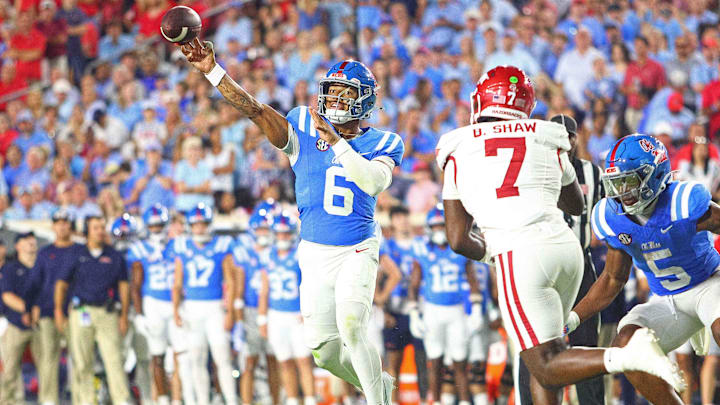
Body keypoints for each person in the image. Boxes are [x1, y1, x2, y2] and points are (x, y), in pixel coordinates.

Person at [434, 65, 684, 405]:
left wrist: (496, 255)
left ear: (481, 101)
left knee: (545, 365)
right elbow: (576, 204)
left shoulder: (458, 146)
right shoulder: (544, 135)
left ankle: (626, 356)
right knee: (551, 355)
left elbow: (458, 238)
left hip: (517, 252)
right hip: (568, 250)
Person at [180, 39, 404, 405]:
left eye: (345, 95)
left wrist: (337, 144)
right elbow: (254, 109)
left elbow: (372, 181)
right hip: (315, 251)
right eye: (331, 94)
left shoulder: (384, 141)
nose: (334, 102)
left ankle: (378, 401)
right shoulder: (304, 123)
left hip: (357, 248)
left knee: (351, 324)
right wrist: (213, 72)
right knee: (324, 353)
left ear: (363, 101)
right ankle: (378, 385)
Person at [566, 132, 720, 405]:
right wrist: (574, 318)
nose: (621, 191)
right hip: (667, 300)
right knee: (626, 345)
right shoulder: (612, 217)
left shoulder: (681, 201)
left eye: (628, 181)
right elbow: (613, 279)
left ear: (655, 175)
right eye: (616, 183)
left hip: (709, 284)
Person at [517, 114, 606, 405]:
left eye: (570, 135)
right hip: (540, 265)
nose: (566, 141)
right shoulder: (532, 170)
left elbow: (609, 213)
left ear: (576, 138)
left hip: (581, 265)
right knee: (534, 344)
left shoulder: (593, 173)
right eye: (560, 135)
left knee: (586, 343)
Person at [54, 215, 133, 405]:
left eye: (101, 227)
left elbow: (123, 286)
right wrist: (58, 310)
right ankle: (85, 401)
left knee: (114, 359)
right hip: (82, 310)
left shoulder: (114, 255)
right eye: (95, 227)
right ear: (87, 231)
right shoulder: (76, 254)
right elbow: (61, 284)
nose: (100, 231)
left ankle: (121, 399)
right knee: (81, 361)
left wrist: (123, 315)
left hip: (107, 312)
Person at [408, 205, 481, 405]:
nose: (440, 230)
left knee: (460, 361)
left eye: (443, 226)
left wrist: (475, 309)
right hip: (432, 310)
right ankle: (437, 401)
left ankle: (465, 401)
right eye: (436, 226)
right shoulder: (421, 249)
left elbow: (472, 280)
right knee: (435, 360)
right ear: (430, 228)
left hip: (457, 310)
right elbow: (414, 284)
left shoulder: (459, 247)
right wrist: (414, 312)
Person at [171, 203, 237, 405]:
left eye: (203, 224)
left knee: (222, 359)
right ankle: (202, 401)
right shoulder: (182, 246)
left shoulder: (221, 245)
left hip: (215, 307)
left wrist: (230, 312)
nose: (200, 228)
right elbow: (177, 282)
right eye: (196, 225)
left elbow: (230, 281)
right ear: (191, 226)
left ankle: (231, 400)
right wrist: (176, 309)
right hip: (191, 308)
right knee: (196, 359)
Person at [259, 213, 317, 405]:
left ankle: (309, 399)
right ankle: (292, 400)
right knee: (284, 361)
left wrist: (308, 310)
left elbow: (312, 284)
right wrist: (262, 318)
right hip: (276, 315)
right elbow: (264, 289)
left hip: (297, 315)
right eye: (280, 234)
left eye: (286, 234)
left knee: (303, 361)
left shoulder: (301, 253)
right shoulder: (267, 255)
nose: (283, 237)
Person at [380, 205, 429, 405]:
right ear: (391, 222)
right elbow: (379, 278)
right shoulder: (387, 247)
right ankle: (393, 402)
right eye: (397, 217)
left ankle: (427, 400)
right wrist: (383, 310)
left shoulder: (423, 243)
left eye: (405, 217)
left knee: (423, 360)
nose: (402, 221)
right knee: (394, 362)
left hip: (421, 308)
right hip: (396, 309)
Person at [33, 209, 82, 405]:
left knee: (79, 357)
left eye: (65, 222)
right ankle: (48, 401)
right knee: (48, 358)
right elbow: (36, 282)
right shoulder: (45, 252)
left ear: (71, 225)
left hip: (73, 310)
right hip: (47, 309)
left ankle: (81, 398)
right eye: (58, 222)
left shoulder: (80, 250)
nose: (62, 226)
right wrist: (34, 305)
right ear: (53, 226)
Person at [234, 207, 281, 405]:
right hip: (251, 311)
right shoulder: (244, 252)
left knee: (274, 360)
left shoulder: (278, 252)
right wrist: (238, 320)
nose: (263, 233)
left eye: (266, 228)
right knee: (249, 362)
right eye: (260, 229)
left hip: (274, 311)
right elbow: (238, 289)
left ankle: (276, 401)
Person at [129, 204, 174, 405]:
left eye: (160, 225)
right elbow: (135, 285)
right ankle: (162, 398)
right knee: (157, 355)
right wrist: (139, 313)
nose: (157, 229)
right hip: (153, 303)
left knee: (177, 355)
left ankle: (178, 398)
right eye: (153, 225)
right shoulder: (140, 249)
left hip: (174, 304)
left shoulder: (176, 245)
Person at [0, 231, 40, 404]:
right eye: (26, 241)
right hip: (12, 321)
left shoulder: (41, 265)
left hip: (34, 322)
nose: (31, 244)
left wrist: (32, 311)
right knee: (9, 369)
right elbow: (7, 295)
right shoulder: (10, 268)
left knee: (48, 365)